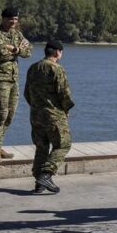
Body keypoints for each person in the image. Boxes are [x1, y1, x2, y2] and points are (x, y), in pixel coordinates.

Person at [23, 40, 74, 194]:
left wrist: (36, 107)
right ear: (57, 52)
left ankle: (39, 184)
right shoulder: (57, 69)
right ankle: (46, 175)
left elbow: (27, 93)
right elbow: (64, 94)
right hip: (54, 115)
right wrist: (66, 109)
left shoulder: (33, 68)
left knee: (42, 148)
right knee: (63, 145)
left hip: (36, 115)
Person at [0, 6, 32, 164]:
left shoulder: (16, 34)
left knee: (10, 114)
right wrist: (17, 49)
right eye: (11, 19)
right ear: (3, 18)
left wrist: (14, 48)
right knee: (1, 113)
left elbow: (29, 51)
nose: (13, 22)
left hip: (13, 79)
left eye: (16, 19)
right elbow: (0, 54)